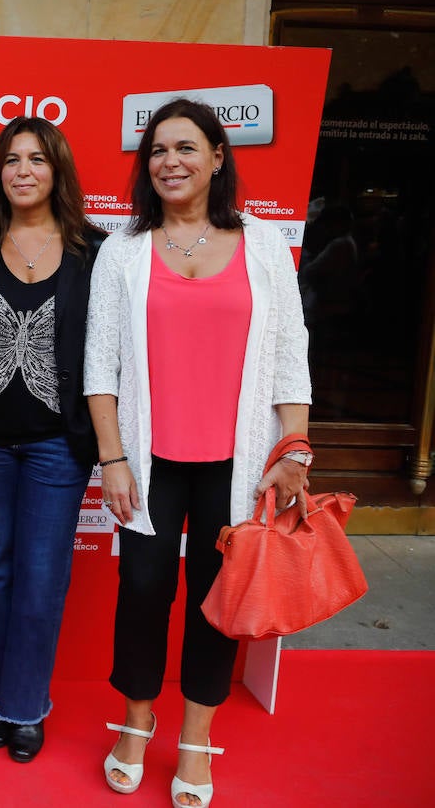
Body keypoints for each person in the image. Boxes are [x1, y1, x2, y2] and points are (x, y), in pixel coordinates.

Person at [86, 98, 311, 808]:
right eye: (156, 150)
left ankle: (195, 741)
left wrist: (295, 447)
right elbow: (100, 367)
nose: (170, 162)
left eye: (186, 147)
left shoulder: (266, 246)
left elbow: (288, 356)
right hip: (149, 463)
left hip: (236, 466)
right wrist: (114, 459)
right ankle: (134, 726)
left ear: (219, 156)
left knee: (220, 605)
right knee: (143, 595)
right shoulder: (121, 248)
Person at [0, 118, 104, 764]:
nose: (23, 170)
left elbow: (109, 355)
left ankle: (23, 706)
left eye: (37, 159)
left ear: (57, 172)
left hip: (56, 444)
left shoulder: (93, 251)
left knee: (40, 577)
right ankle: (0, 691)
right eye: (12, 159)